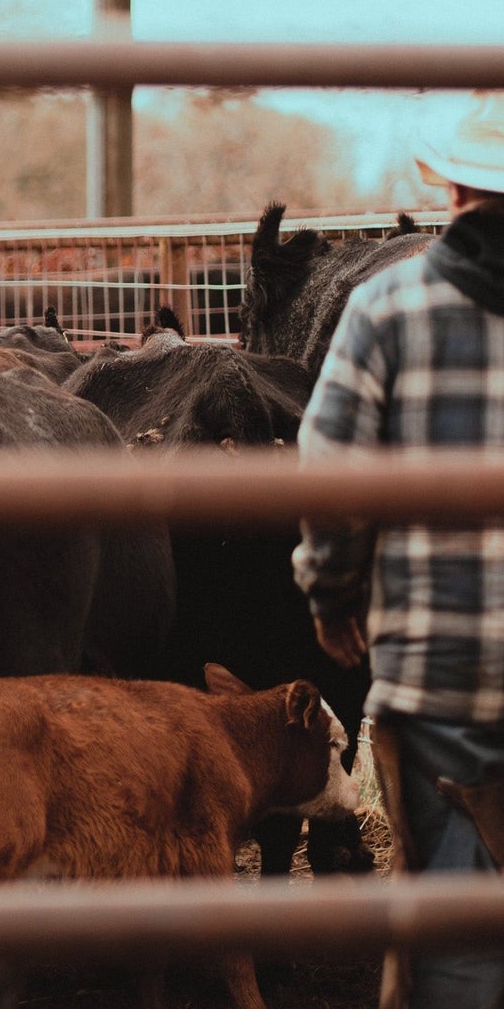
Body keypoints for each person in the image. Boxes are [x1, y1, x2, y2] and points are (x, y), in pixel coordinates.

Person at [293, 93, 504, 1009]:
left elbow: (332, 474)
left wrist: (333, 598)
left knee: (454, 930)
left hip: (434, 669)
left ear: (450, 185)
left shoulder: (387, 304)